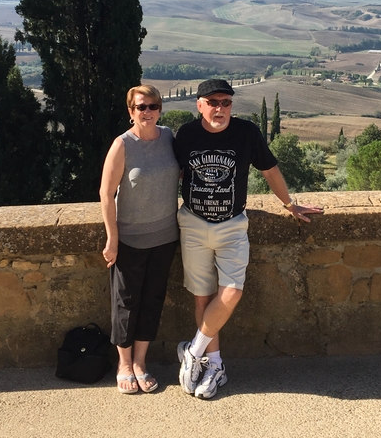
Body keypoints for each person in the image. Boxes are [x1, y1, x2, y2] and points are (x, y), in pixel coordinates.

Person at [173, 79, 323, 399]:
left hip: (231, 225)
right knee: (203, 296)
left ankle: (193, 350)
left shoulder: (246, 133)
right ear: (199, 105)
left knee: (231, 293)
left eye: (226, 102)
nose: (220, 109)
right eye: (212, 102)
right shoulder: (186, 134)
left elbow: (269, 170)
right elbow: (174, 174)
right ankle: (214, 366)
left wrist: (289, 204)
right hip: (194, 225)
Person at [100, 84, 179, 394]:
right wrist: (112, 238)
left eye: (153, 106)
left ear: (160, 109)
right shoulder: (122, 145)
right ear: (130, 112)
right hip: (130, 238)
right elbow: (106, 194)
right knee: (125, 303)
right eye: (141, 107)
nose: (147, 112)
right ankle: (123, 363)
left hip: (165, 237)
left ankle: (141, 362)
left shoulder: (169, 137)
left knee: (152, 300)